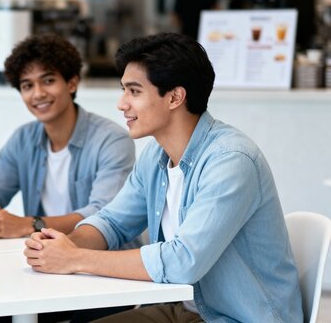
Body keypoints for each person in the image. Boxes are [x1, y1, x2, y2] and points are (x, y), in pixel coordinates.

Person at [24, 32, 303, 322]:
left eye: (134, 91)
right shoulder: (155, 155)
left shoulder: (231, 160)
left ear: (174, 97)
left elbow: (183, 262)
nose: (122, 104)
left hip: (241, 317)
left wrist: (75, 259)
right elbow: (113, 222)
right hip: (188, 309)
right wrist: (63, 245)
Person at [0, 34, 135, 240]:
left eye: (48, 81)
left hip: (101, 261)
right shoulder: (23, 139)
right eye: (27, 86)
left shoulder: (111, 140)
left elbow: (103, 215)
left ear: (72, 83)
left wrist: (30, 225)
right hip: (45, 258)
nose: (38, 94)